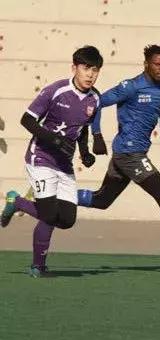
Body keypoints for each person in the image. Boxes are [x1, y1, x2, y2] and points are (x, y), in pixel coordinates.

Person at [76, 45, 160, 272]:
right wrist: (97, 134)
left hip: (130, 155)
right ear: (146, 64)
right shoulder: (130, 86)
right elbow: (96, 101)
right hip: (130, 154)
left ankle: (54, 195)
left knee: (102, 200)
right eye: (157, 64)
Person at [1, 46, 102, 277]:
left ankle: (16, 201)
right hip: (41, 157)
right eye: (86, 68)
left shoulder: (95, 98)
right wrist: (54, 140)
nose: (90, 74)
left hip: (64, 163)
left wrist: (84, 152)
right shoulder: (55, 91)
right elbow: (26, 120)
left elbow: (83, 129)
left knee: (66, 219)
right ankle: (38, 266)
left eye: (95, 70)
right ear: (74, 67)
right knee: (48, 214)